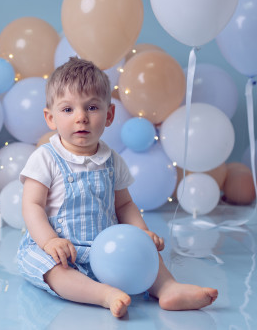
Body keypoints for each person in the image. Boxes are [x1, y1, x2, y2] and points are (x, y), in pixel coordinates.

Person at [17, 57, 218, 318]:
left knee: (143, 247)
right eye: (68, 110)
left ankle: (168, 287)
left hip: (106, 247)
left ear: (109, 114)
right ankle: (104, 295)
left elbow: (124, 205)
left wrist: (142, 231)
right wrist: (49, 240)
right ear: (50, 118)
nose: (81, 118)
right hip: (60, 248)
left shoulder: (112, 160)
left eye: (91, 107)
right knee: (55, 272)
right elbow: (31, 205)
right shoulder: (45, 158)